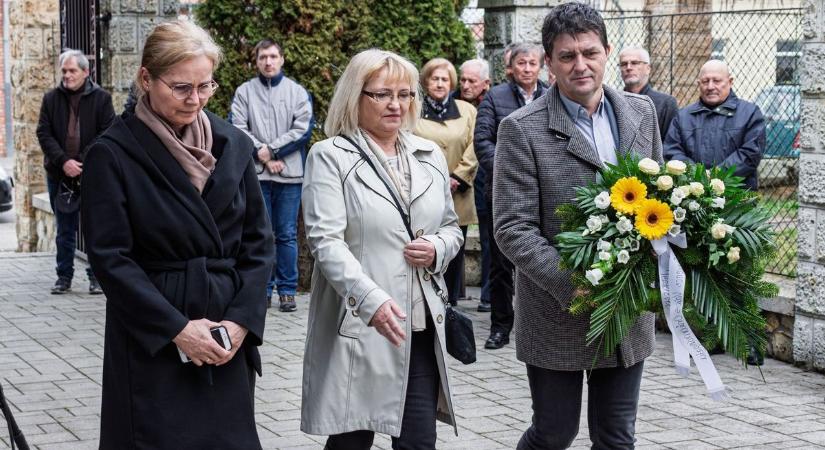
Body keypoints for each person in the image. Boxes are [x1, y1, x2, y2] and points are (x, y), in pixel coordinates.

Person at [81, 21, 274, 449]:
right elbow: (111, 259)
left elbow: (259, 245)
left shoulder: (233, 144)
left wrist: (242, 322)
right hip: (155, 336)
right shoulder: (112, 154)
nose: (196, 100)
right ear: (146, 78)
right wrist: (178, 329)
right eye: (182, 87)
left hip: (225, 331)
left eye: (206, 86)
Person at [493, 3, 662, 448]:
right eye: (567, 56)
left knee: (616, 436)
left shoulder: (641, 112)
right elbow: (513, 228)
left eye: (590, 52)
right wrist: (576, 286)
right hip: (557, 310)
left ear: (608, 51)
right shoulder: (521, 129)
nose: (580, 65)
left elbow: (658, 195)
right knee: (554, 433)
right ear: (548, 62)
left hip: (626, 309)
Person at [300, 48, 463, 449]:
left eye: (405, 94)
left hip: (419, 322)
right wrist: (371, 299)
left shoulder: (429, 155)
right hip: (360, 323)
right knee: (351, 441)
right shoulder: (330, 157)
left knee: (418, 442)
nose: (396, 105)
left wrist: (437, 247)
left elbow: (450, 227)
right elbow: (325, 241)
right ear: (356, 96)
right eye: (382, 94)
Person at [231, 39, 314, 312]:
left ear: (282, 59)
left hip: (289, 176)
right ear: (256, 61)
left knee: (286, 235)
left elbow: (303, 129)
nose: (268, 61)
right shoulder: (244, 92)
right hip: (257, 176)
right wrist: (262, 157)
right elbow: (238, 127)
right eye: (263, 57)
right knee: (260, 234)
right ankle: (262, 291)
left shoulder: (297, 92)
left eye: (273, 56)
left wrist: (273, 152)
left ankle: (287, 291)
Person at [474, 42, 547, 350]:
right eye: (521, 63)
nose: (527, 68)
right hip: (502, 192)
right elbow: (482, 141)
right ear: (510, 67)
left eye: (532, 63)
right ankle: (501, 326)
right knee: (501, 263)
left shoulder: (552, 96)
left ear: (541, 66)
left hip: (544, 193)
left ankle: (542, 323)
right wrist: (510, 173)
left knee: (544, 258)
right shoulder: (494, 97)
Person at [36, 49, 115, 295]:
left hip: (91, 174)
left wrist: (81, 162)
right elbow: (43, 133)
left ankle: (96, 278)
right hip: (59, 175)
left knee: (95, 228)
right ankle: (64, 277)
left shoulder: (102, 99)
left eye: (72, 71)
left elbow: (108, 132)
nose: (67, 75)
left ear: (85, 72)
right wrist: (64, 162)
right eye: (64, 71)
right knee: (65, 228)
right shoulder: (51, 99)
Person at [414, 57, 478, 307]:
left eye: (444, 79)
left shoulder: (467, 110)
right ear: (426, 81)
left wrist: (457, 177)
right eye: (434, 78)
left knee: (453, 251)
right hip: (422, 191)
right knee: (426, 247)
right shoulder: (414, 108)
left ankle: (450, 304)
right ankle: (424, 301)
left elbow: (474, 146)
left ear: (452, 83)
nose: (440, 83)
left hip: (457, 193)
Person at [664, 59, 766, 190]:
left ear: (730, 82)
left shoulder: (750, 113)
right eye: (705, 81)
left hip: (736, 198)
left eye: (717, 81)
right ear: (698, 84)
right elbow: (671, 151)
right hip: (692, 197)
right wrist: (697, 175)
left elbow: (751, 153)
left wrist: (716, 175)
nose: (710, 86)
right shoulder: (683, 116)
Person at [456, 58, 493, 311]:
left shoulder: (491, 103)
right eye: (463, 80)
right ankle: (454, 291)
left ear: (485, 84)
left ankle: (488, 295)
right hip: (458, 179)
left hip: (483, 177)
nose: (466, 85)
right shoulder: (451, 102)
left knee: (489, 237)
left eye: (472, 81)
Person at [619, 46, 678, 137]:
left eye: (634, 63)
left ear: (648, 68)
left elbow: (670, 144)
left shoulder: (666, 104)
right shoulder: (612, 101)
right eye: (623, 64)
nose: (628, 67)